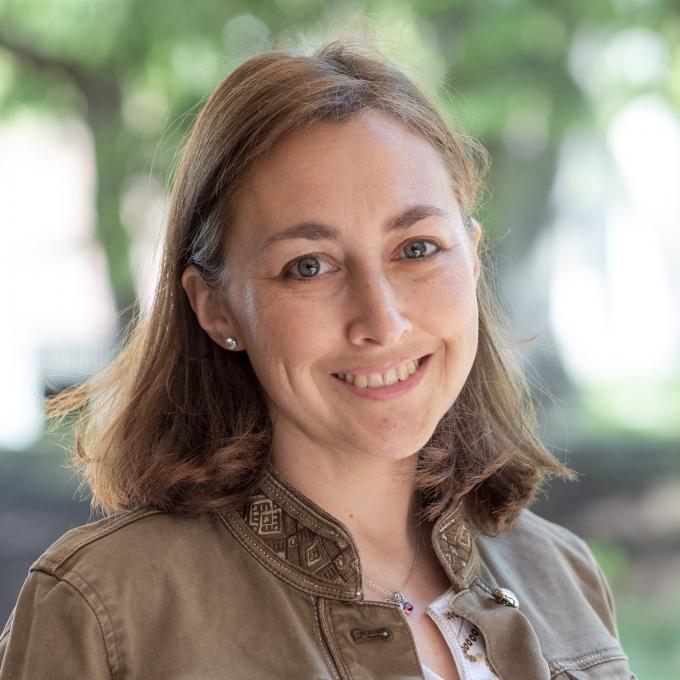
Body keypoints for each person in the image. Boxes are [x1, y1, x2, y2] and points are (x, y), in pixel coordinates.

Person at [0, 40, 634, 680]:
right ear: (216, 308)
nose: (382, 321)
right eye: (309, 266)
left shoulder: (564, 574)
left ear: (471, 259)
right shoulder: (105, 610)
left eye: (416, 249)